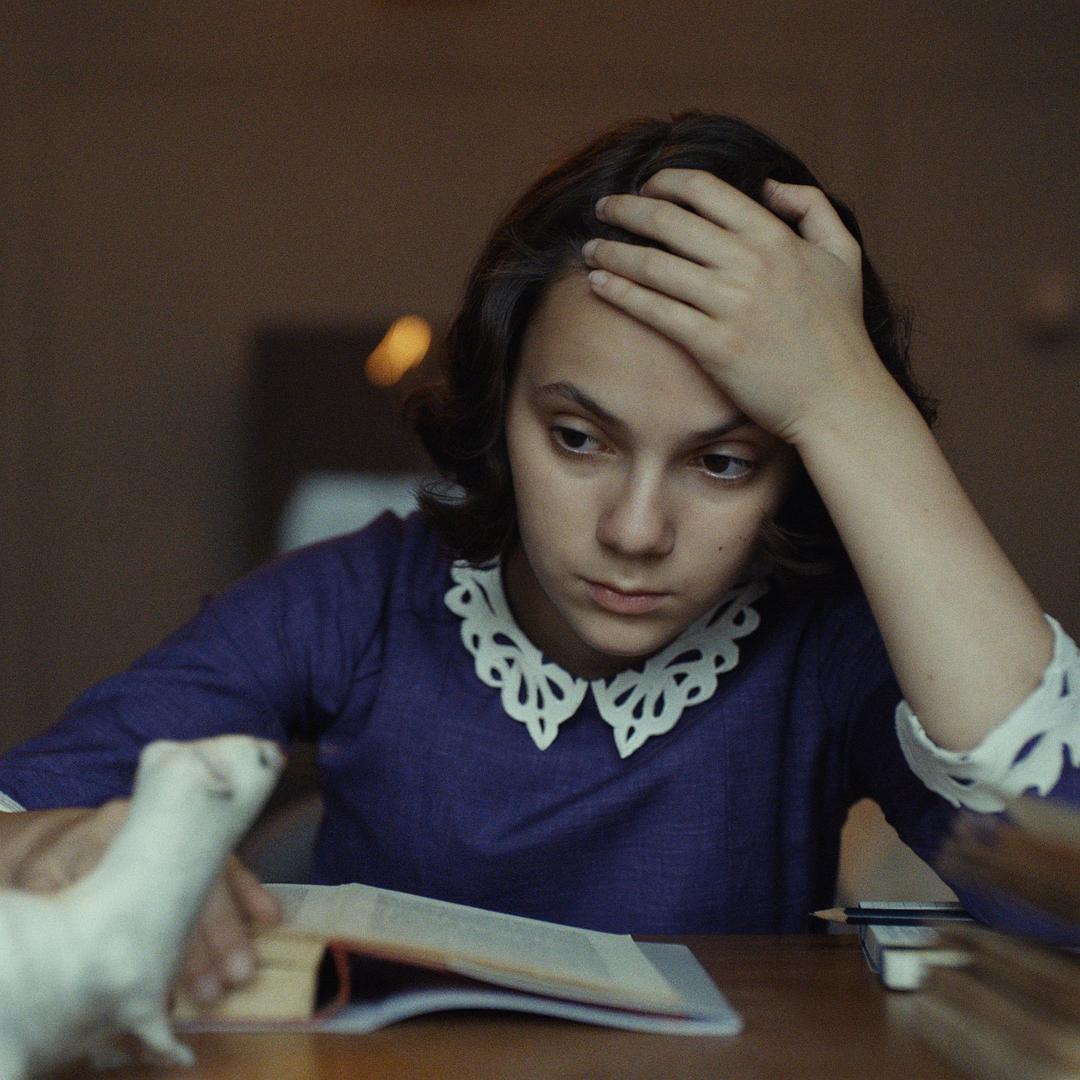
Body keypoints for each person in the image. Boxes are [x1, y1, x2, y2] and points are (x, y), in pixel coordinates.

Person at [0, 112, 1076, 1008]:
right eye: (577, 437)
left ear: (798, 466)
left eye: (723, 462)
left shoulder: (825, 646)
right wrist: (67, 848)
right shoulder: (358, 599)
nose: (636, 530)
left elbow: (1063, 886)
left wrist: (848, 399)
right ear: (498, 402)